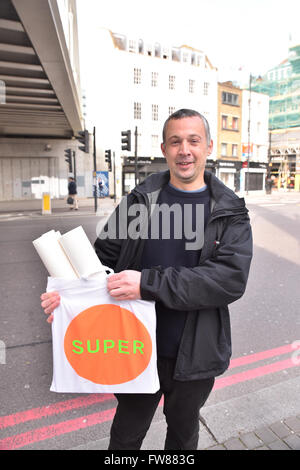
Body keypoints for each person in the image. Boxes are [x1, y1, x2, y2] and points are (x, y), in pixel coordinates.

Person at [41, 109, 253, 450]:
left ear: (208, 146)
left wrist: (147, 283)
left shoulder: (229, 211)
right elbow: (101, 262)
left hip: (195, 353)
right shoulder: (139, 202)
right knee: (125, 435)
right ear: (164, 148)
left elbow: (229, 280)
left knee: (182, 437)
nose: (184, 149)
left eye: (193, 140)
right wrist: (67, 296)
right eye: (175, 141)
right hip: (133, 344)